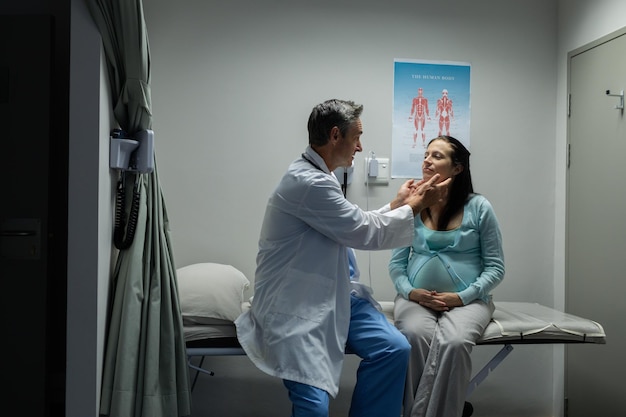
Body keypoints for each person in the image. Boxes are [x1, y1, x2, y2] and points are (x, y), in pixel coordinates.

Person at [235, 99, 450, 417]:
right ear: (336, 135)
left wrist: (397, 204)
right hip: (298, 304)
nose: (360, 147)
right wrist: (415, 206)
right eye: (356, 137)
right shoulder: (309, 182)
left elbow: (353, 224)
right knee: (314, 407)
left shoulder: (320, 177)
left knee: (393, 348)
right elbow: (363, 231)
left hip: (338, 295)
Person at [388, 135, 505, 417]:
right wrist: (410, 292)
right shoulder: (413, 206)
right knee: (413, 336)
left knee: (454, 342)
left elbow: (496, 268)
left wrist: (461, 297)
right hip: (415, 299)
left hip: (469, 301)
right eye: (426, 155)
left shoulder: (479, 207)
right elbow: (396, 265)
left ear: (457, 168)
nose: (427, 160)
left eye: (437, 156)